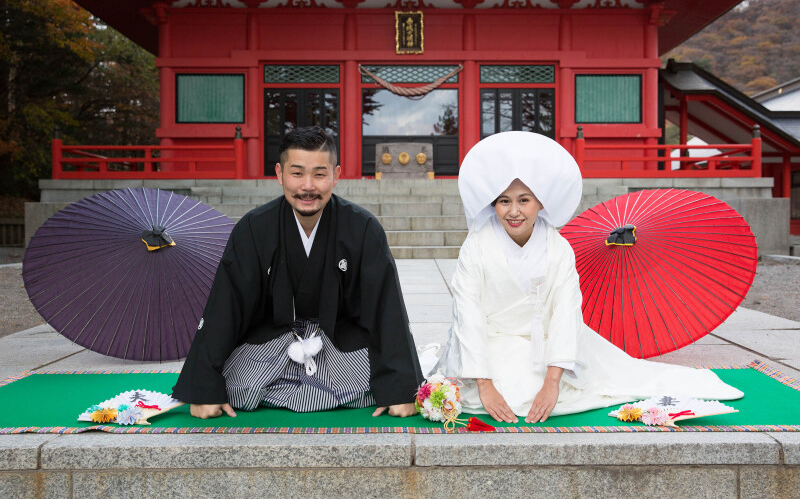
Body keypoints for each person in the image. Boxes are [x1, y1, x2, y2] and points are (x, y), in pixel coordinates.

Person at [433, 131, 743, 424]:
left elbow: (567, 313)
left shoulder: (558, 248)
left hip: (548, 344)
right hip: (490, 343)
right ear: (493, 204)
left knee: (540, 390)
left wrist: (553, 380)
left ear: (540, 202)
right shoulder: (476, 246)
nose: (514, 211)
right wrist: (484, 383)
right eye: (504, 201)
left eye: (524, 200)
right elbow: (468, 313)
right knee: (495, 394)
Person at [173, 126, 423, 419]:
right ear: (279, 174)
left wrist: (399, 388)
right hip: (273, 340)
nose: (308, 186)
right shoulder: (254, 228)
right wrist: (204, 386)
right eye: (297, 173)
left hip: (340, 342)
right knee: (235, 379)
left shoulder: (363, 229)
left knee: (368, 377)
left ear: (336, 175)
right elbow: (225, 306)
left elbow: (387, 309)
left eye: (319, 174)